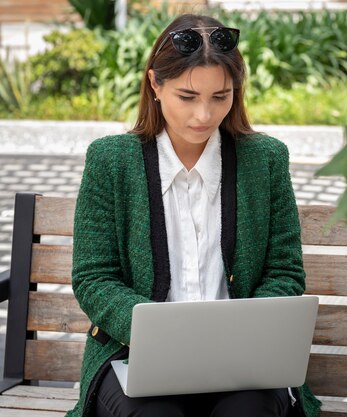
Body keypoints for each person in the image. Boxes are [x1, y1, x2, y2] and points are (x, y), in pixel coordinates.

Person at [66, 13, 321, 417]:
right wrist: (155, 337)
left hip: (245, 363)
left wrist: (243, 332)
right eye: (187, 97)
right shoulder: (111, 160)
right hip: (135, 357)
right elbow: (94, 277)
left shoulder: (266, 160)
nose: (204, 115)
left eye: (220, 96)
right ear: (155, 84)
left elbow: (285, 272)